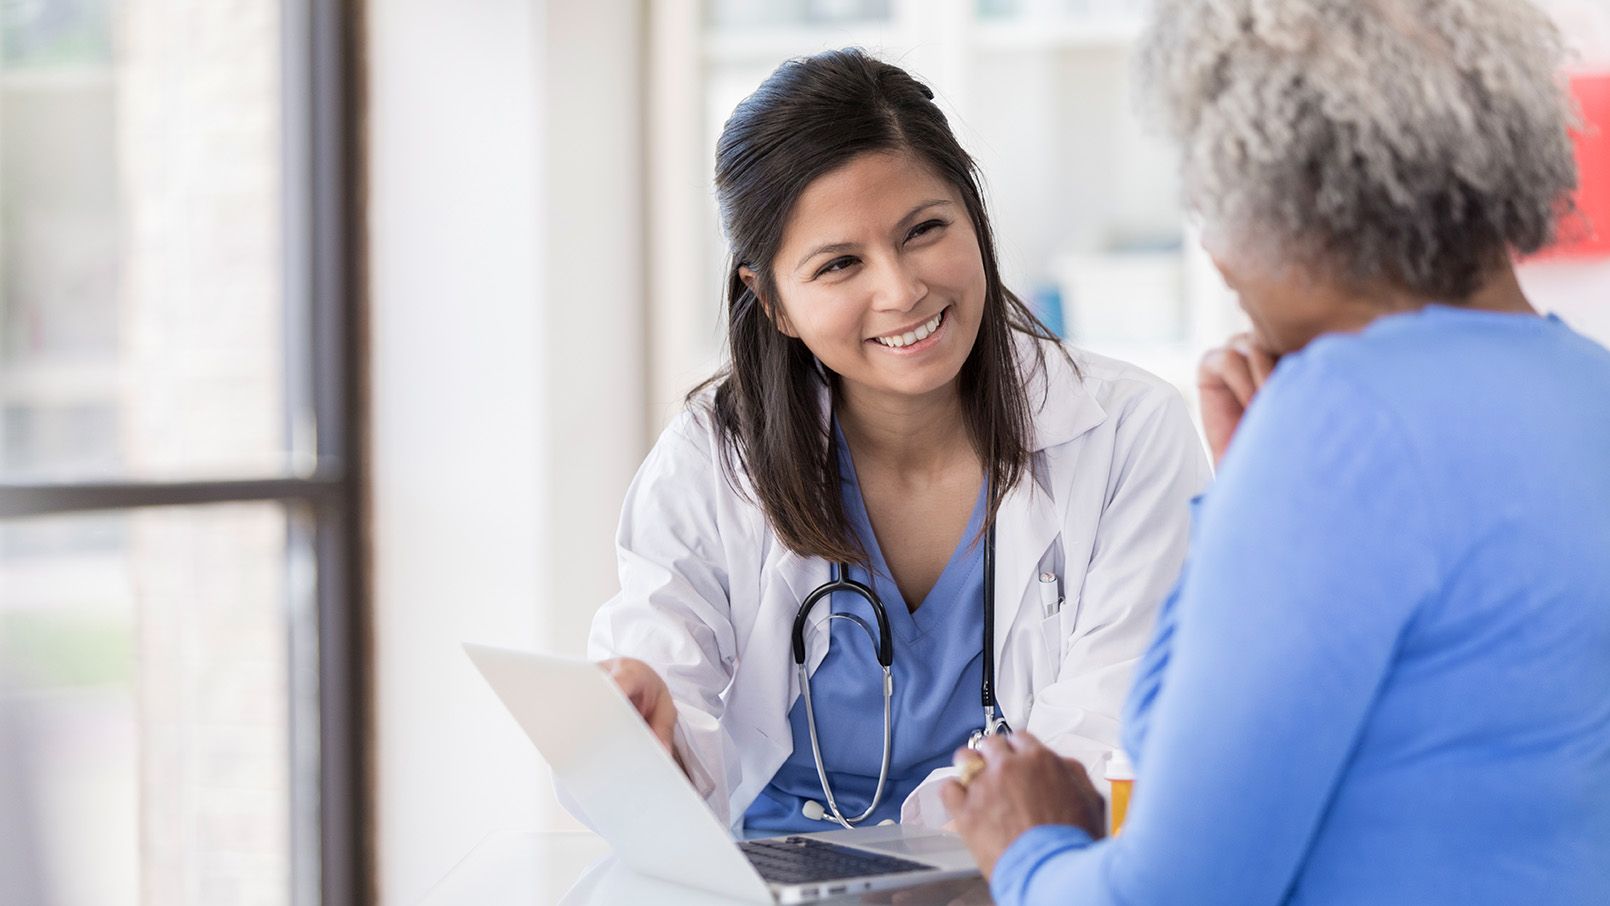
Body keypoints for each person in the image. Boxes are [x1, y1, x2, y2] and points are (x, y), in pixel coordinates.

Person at [942, 1, 1610, 902]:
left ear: (1283, 199)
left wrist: (1027, 847)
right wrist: (1249, 486)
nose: (1216, 253)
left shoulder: (1340, 422)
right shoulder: (1584, 389)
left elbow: (1171, 895)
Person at [586, 48, 1209, 835]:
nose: (901, 289)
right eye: (840, 263)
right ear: (771, 300)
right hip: (778, 882)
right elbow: (658, 705)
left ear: (973, 217)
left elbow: (1110, 730)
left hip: (1013, 875)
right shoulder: (710, 463)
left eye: (925, 230)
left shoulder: (1128, 435)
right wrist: (641, 734)